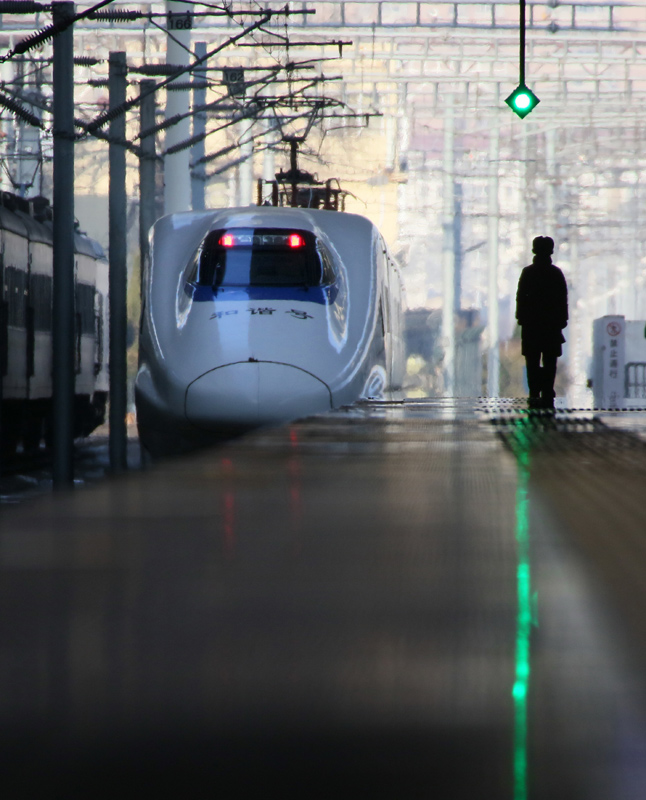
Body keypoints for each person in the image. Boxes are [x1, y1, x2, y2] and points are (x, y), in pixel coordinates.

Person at [515, 236, 568, 409]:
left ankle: (534, 391)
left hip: (531, 325)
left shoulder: (528, 272)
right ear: (551, 251)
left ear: (533, 250)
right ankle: (547, 390)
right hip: (551, 325)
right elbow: (562, 300)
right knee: (550, 360)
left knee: (532, 359)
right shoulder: (556, 273)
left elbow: (521, 298)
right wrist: (561, 321)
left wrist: (522, 319)